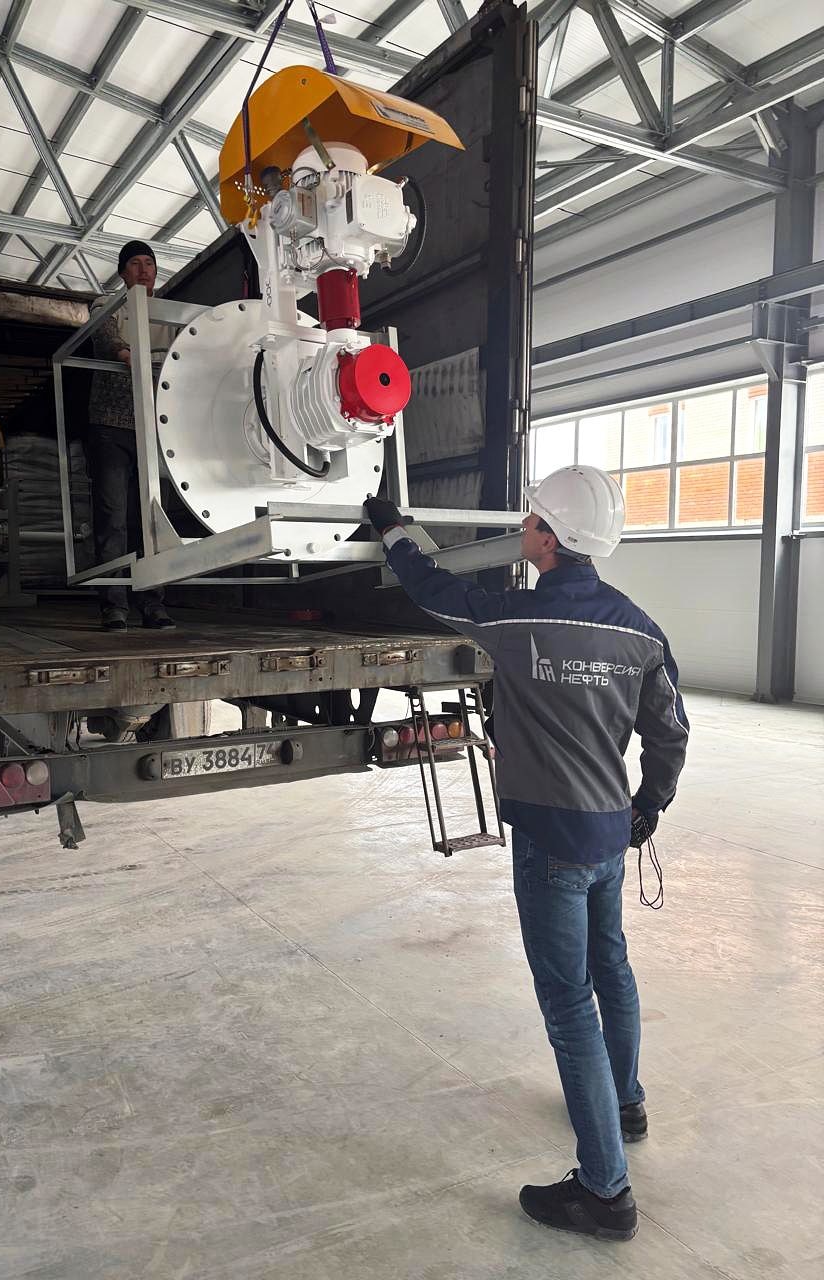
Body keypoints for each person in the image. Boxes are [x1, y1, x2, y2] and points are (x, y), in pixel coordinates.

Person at [364, 466, 689, 1243]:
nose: (523, 529)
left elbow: (433, 589)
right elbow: (671, 732)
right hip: (608, 832)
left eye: (531, 520)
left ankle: (606, 1192)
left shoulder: (515, 620)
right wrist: (648, 806)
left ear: (548, 537)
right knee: (610, 967)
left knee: (569, 1006)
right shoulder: (641, 631)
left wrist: (392, 528)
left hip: (550, 840)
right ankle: (627, 1101)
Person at [87, 240, 176, 632]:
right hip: (112, 424)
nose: (143, 269)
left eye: (149, 263)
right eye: (135, 263)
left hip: (157, 428)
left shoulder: (169, 314)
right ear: (123, 272)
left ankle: (153, 603)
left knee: (153, 519)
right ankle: (114, 605)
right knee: (113, 516)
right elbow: (107, 339)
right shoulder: (106, 305)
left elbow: (187, 350)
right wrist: (129, 355)